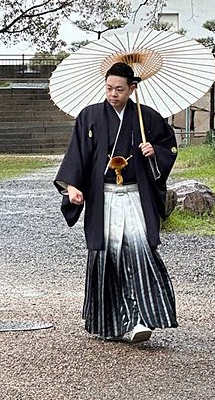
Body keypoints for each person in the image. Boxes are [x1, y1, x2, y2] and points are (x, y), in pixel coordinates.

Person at [54, 61, 178, 343]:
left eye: (119, 89)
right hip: (104, 198)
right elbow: (78, 154)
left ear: (132, 88)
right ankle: (110, 322)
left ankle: (140, 319)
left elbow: (168, 147)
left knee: (140, 251)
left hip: (134, 195)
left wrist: (153, 151)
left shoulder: (148, 117)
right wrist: (72, 186)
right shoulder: (90, 116)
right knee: (107, 256)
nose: (113, 94)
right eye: (109, 88)